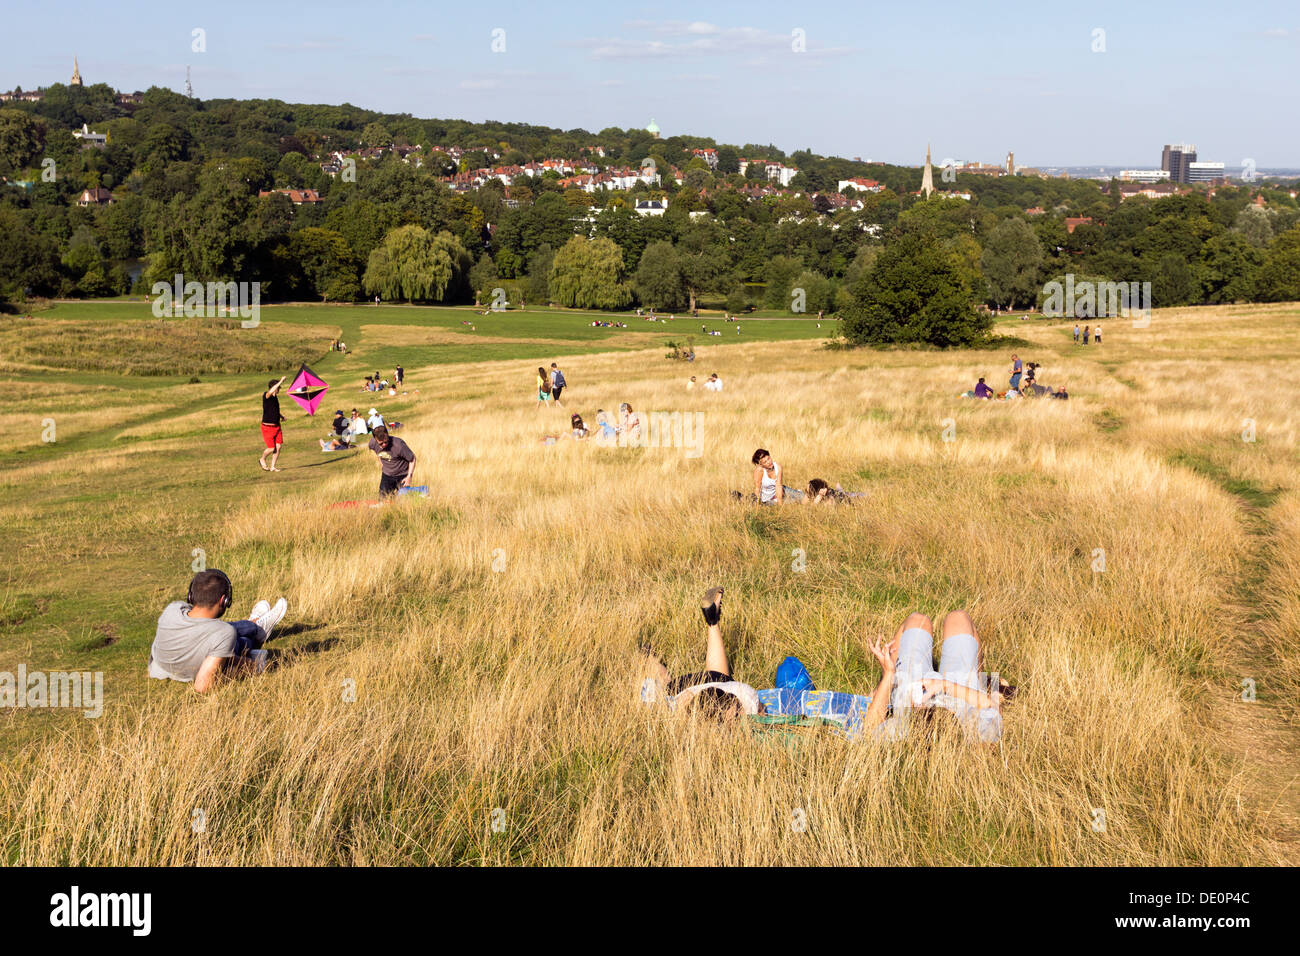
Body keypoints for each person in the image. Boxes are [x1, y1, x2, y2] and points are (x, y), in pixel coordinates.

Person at [863, 610, 1012, 743]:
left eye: (923, 708)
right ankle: (981, 680)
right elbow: (991, 704)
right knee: (959, 618)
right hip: (960, 691)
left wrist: (889, 674)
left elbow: (868, 730)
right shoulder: (975, 728)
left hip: (913, 686)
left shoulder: (903, 728)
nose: (928, 703)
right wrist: (945, 685)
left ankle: (880, 690)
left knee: (917, 620)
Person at [147, 569, 287, 693]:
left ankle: (254, 624)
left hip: (160, 667)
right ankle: (258, 630)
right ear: (224, 600)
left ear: (191, 595)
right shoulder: (224, 633)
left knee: (226, 629)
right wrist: (260, 666)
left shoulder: (173, 609)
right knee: (240, 640)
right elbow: (202, 686)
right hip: (214, 647)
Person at [639, 587, 763, 719]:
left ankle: (649, 656)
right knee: (665, 683)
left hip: (704, 684)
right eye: (737, 714)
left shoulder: (746, 695)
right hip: (691, 691)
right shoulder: (748, 698)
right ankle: (712, 621)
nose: (742, 715)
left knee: (667, 683)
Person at [368, 425, 416, 498]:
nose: (384, 445)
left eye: (386, 442)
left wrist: (409, 476)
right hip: (387, 476)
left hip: (402, 476)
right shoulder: (372, 443)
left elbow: (412, 459)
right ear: (375, 439)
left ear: (388, 435)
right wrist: (382, 465)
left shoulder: (399, 445)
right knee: (383, 500)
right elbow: (378, 453)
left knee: (404, 500)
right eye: (381, 443)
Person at [259, 376, 286, 472]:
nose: (279, 389)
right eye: (278, 387)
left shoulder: (275, 398)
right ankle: (262, 459)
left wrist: (281, 416)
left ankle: (273, 467)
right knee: (271, 448)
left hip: (277, 426)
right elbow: (271, 391)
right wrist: (281, 381)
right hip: (267, 427)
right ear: (274, 387)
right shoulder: (266, 395)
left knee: (278, 447)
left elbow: (274, 410)